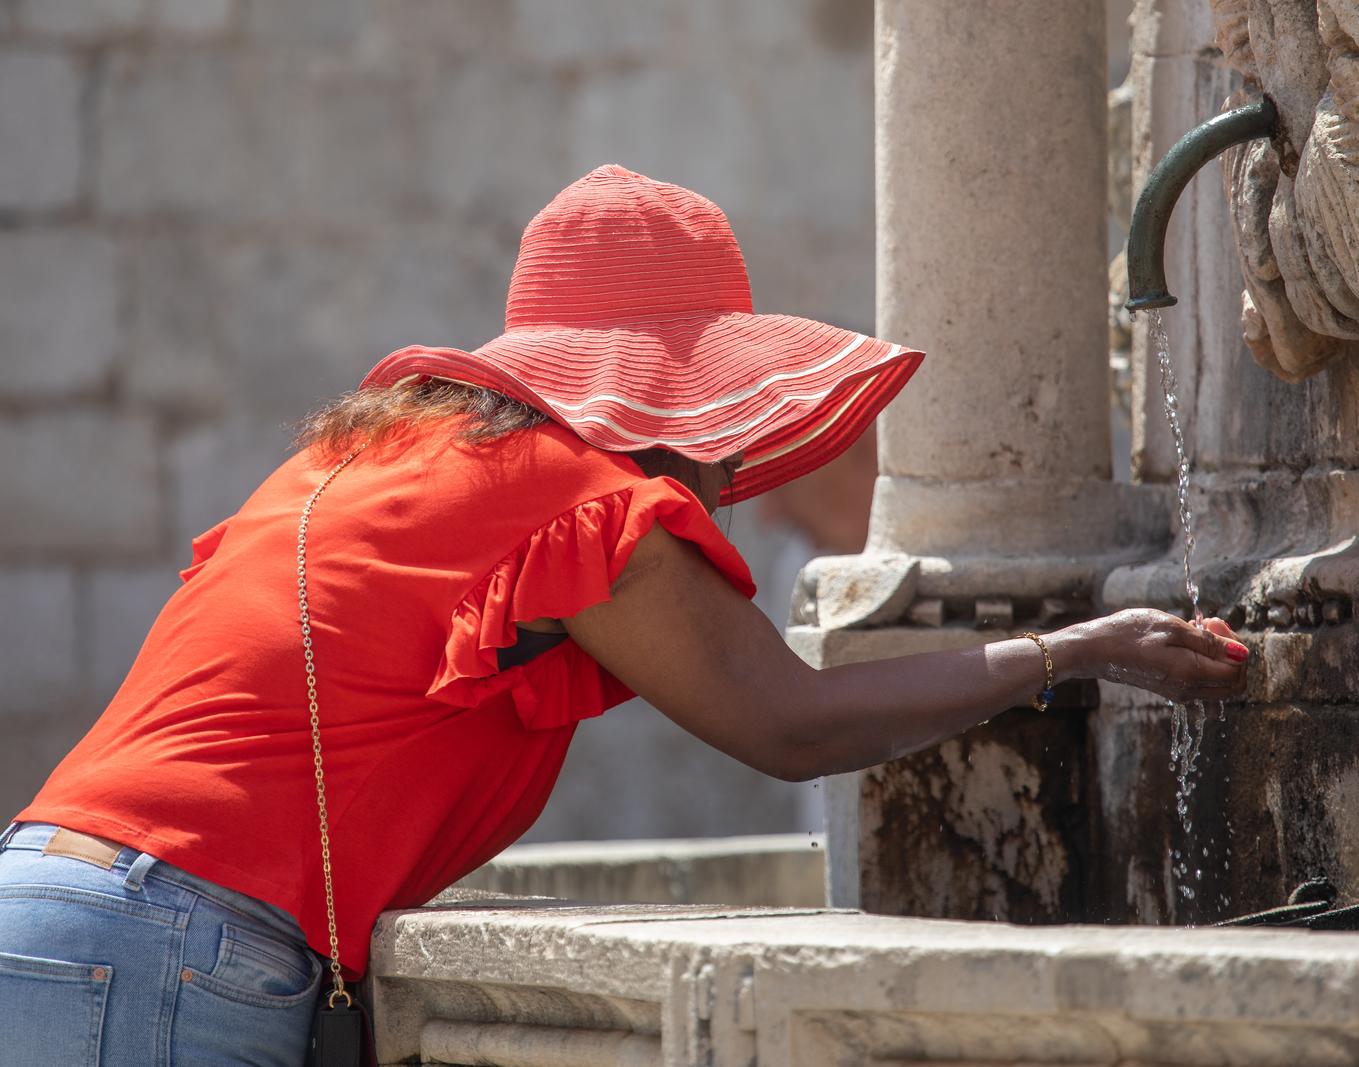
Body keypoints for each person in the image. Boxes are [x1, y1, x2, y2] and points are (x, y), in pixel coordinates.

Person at [0, 165, 1247, 1065]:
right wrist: (1076, 647)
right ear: (672, 389)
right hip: (171, 946)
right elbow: (790, 723)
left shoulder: (372, 460)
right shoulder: (576, 499)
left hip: (49, 902)